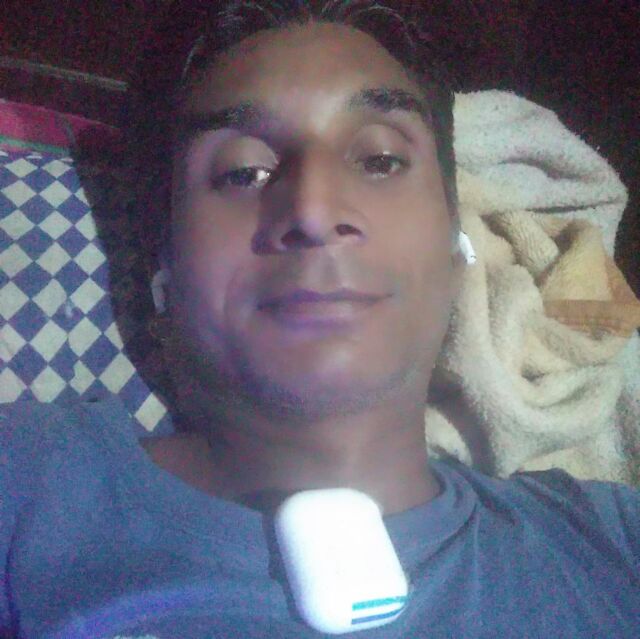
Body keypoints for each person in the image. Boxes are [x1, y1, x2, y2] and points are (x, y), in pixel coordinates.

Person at [1, 1, 638, 637]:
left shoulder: (611, 543)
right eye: (243, 173)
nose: (313, 209)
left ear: (456, 249)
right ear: (162, 268)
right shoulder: (28, 486)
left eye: (381, 160)